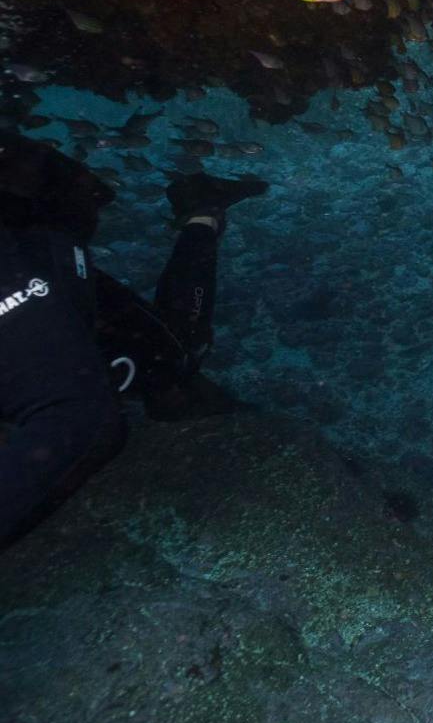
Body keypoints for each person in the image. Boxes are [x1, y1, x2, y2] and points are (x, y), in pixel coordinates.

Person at [0, 131, 266, 550]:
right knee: (150, 362)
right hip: (38, 233)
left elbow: (84, 417)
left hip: (40, 233)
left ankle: (201, 212)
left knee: (173, 352)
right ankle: (199, 208)